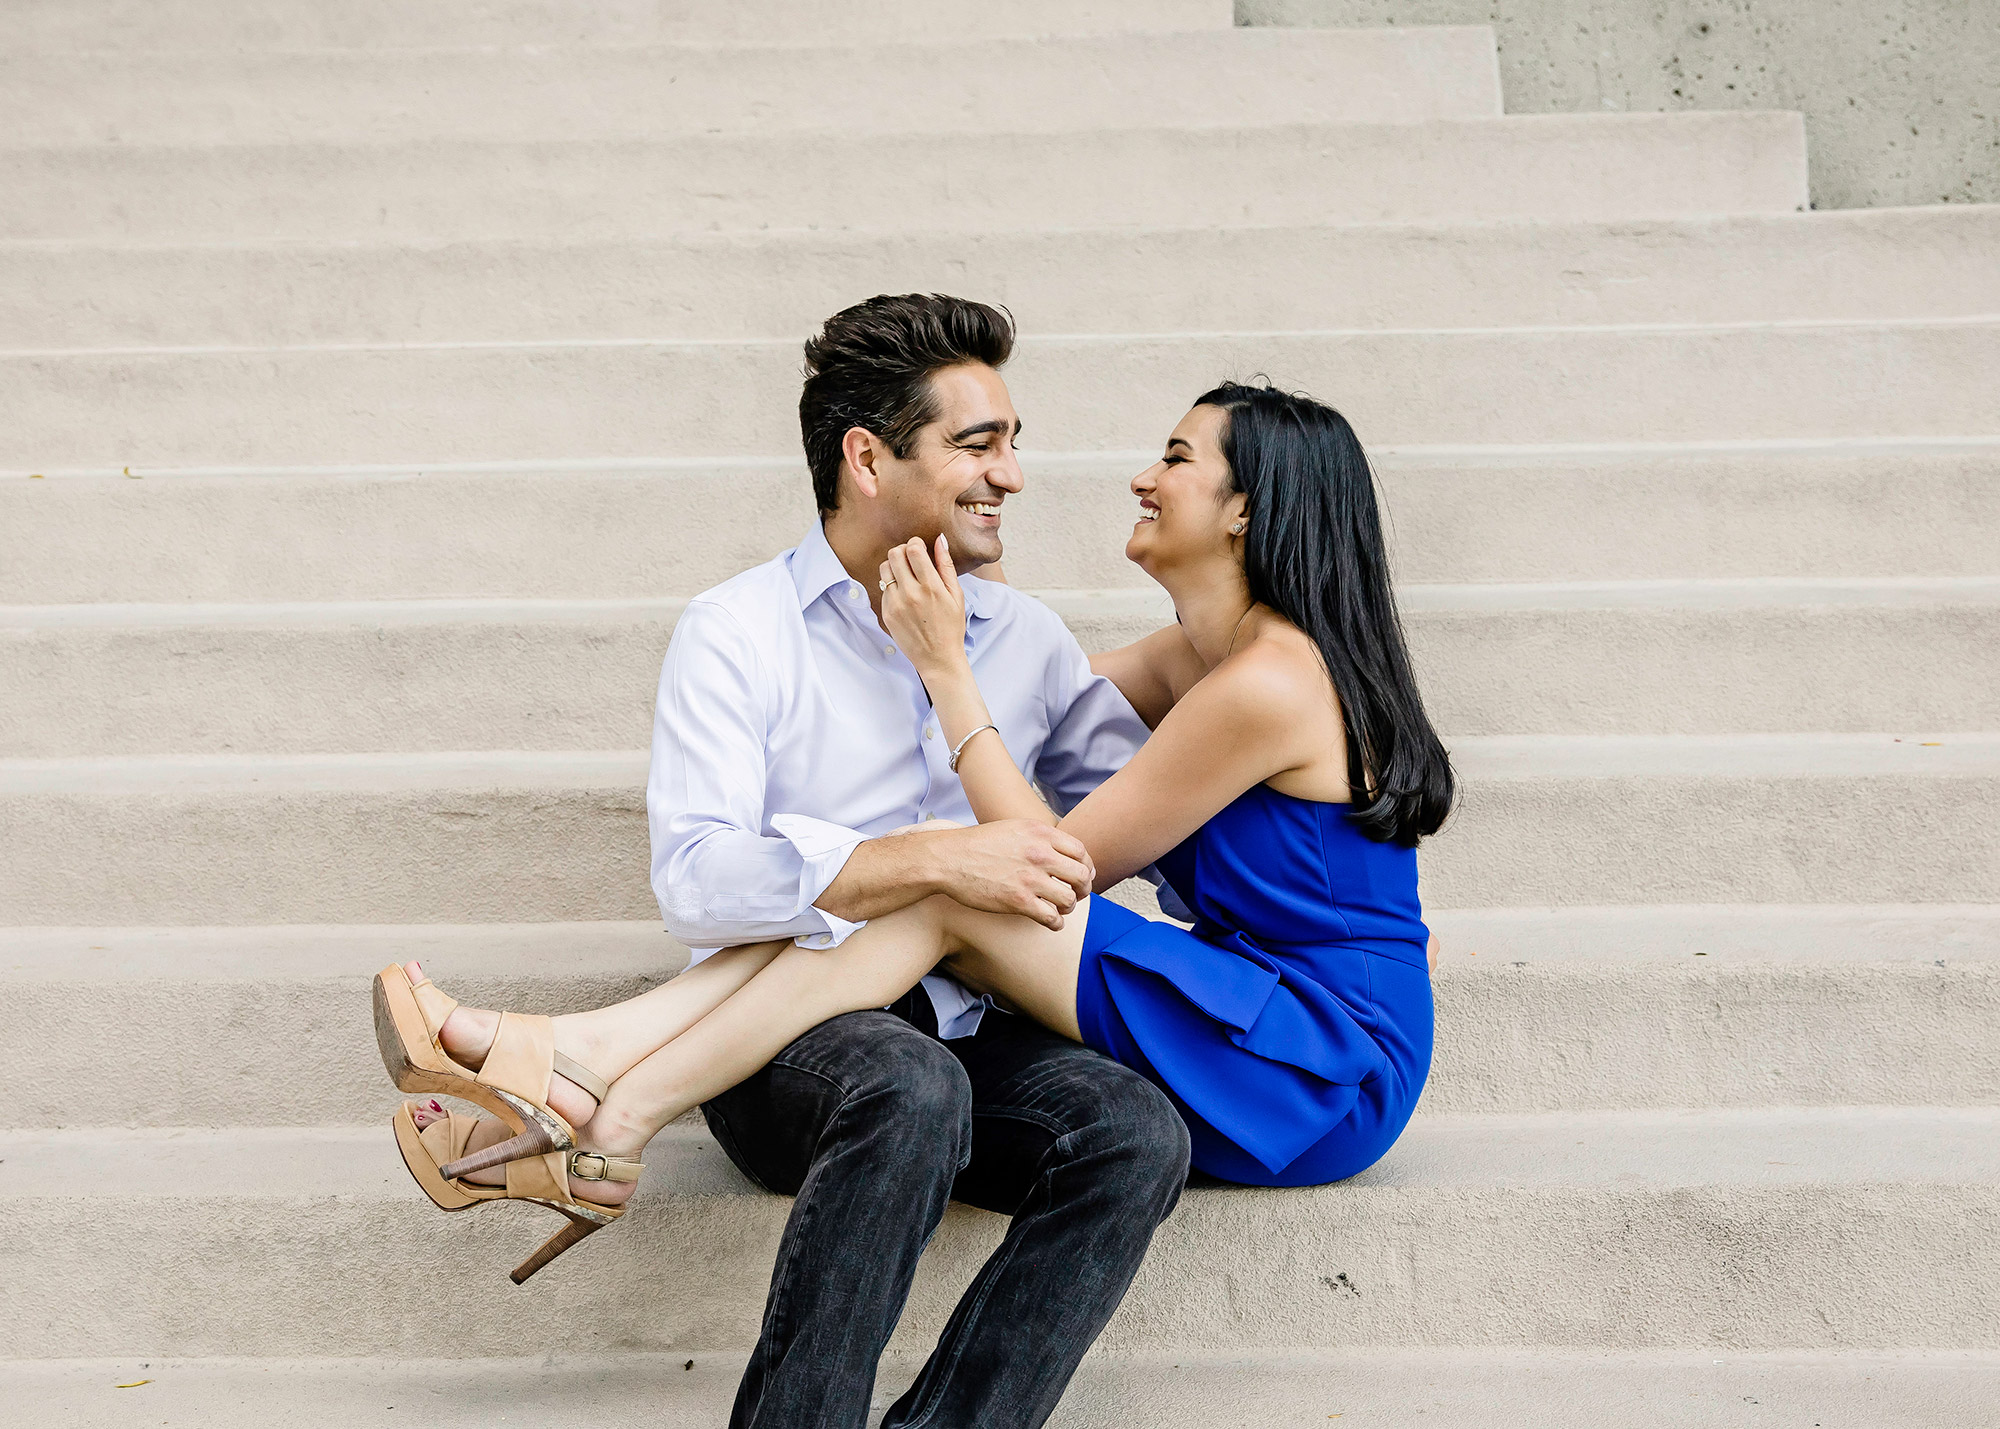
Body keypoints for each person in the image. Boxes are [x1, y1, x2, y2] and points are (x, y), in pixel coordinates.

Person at [375, 293, 1193, 1429]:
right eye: (976, 444)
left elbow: (1155, 827)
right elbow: (699, 881)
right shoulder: (738, 630)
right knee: (906, 1085)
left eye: (1012, 444)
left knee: (1133, 1130)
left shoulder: (1028, 640)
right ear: (867, 457)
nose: (1010, 475)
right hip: (781, 1047)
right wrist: (924, 861)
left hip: (970, 1020)